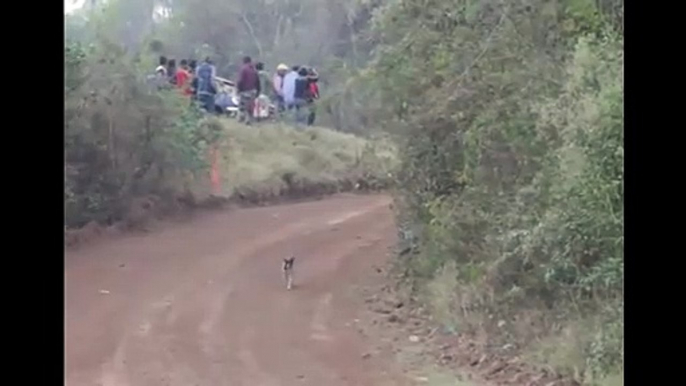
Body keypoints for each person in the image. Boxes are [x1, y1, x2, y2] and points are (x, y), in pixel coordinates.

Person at [236, 56, 260, 124]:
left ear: (244, 61)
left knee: (242, 106)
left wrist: (238, 89)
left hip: (244, 90)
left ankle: (241, 119)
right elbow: (257, 81)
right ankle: (249, 120)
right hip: (253, 91)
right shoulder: (254, 69)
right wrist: (258, 91)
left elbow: (240, 80)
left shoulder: (243, 69)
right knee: (250, 107)